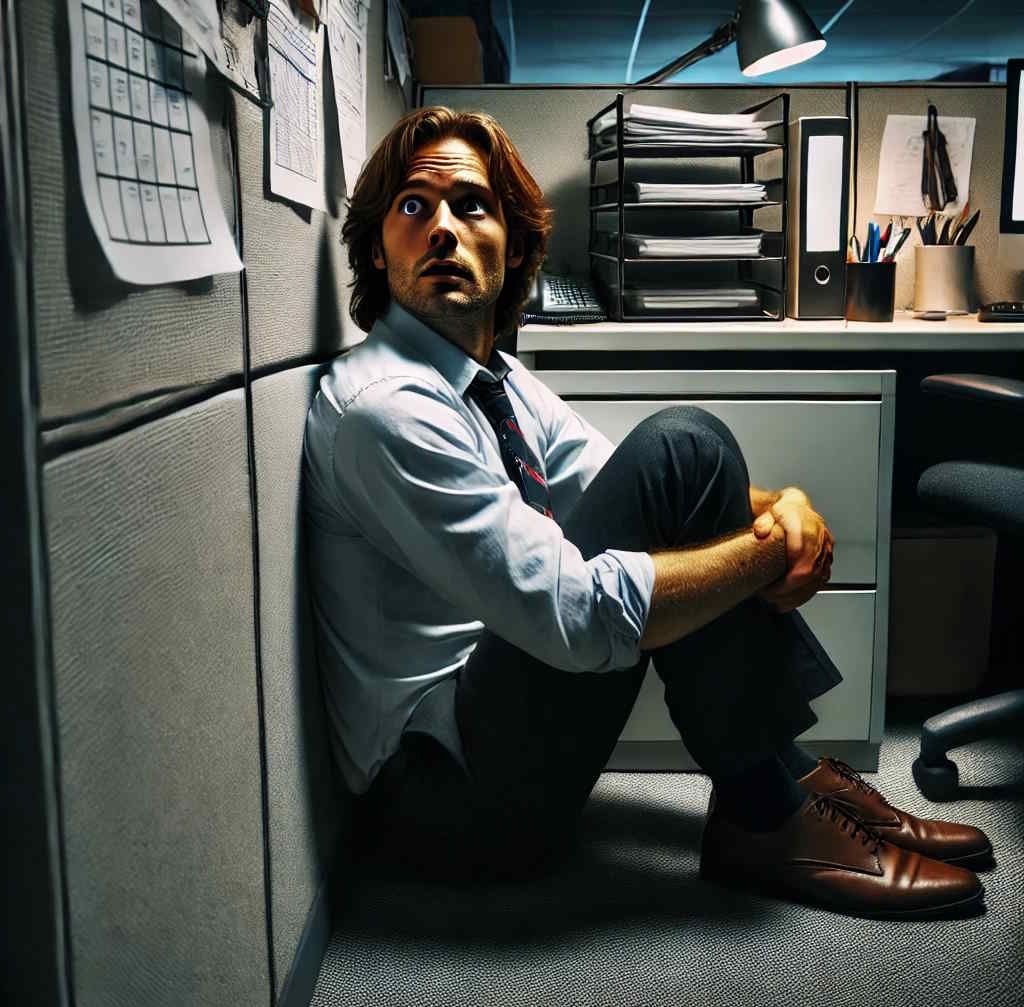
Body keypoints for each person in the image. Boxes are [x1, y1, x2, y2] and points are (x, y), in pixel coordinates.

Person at [303, 106, 991, 918]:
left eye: (471, 205)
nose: (442, 229)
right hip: (441, 803)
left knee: (689, 456)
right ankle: (767, 810)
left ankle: (782, 774)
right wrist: (768, 555)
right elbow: (579, 617)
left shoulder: (490, 378)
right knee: (683, 447)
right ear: (380, 251)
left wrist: (786, 507)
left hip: (493, 723)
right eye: (414, 208)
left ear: (515, 245)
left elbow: (634, 489)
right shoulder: (387, 409)